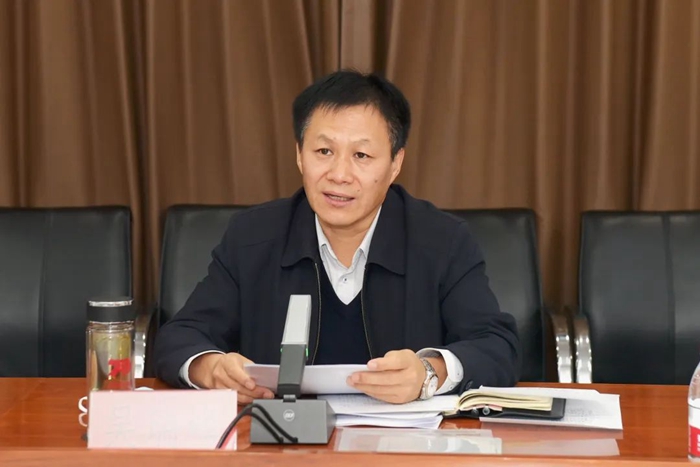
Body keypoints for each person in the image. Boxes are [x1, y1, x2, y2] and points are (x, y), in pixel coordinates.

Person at [154, 70, 520, 405]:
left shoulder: (442, 241)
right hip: (280, 442)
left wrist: (428, 373)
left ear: (395, 163)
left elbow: (496, 346)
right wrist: (210, 368)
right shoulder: (253, 236)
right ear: (300, 155)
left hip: (404, 444)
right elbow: (180, 336)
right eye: (324, 151)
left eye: (361, 155)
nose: (339, 174)